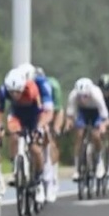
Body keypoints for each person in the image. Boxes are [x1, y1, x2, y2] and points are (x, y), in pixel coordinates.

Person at [0, 68, 53, 203]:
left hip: (33, 115)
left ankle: (38, 181)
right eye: (12, 92)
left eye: (18, 92)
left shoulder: (32, 89)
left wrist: (39, 127)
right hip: (16, 115)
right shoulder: (3, 90)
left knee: (35, 149)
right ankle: (15, 167)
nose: (15, 95)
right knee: (14, 136)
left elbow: (41, 111)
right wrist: (0, 126)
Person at [66, 78, 109, 181]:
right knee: (79, 135)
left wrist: (102, 126)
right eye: (80, 96)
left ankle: (99, 161)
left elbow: (105, 118)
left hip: (96, 112)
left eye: (85, 96)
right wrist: (69, 124)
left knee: (96, 135)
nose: (82, 99)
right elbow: (70, 115)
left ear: (89, 92)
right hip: (82, 112)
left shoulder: (97, 95)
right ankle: (77, 169)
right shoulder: (73, 95)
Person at [35, 66, 65, 198]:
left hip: (53, 110)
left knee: (50, 138)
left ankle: (52, 176)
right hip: (37, 112)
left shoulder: (52, 86)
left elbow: (56, 111)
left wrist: (55, 128)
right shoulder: (29, 89)